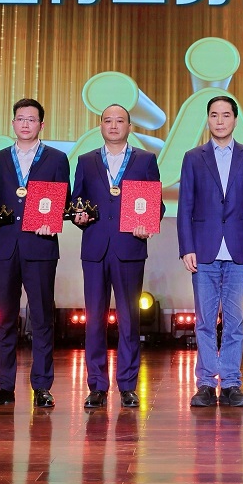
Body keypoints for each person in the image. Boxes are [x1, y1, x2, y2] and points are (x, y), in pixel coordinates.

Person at [0, 98, 71, 409]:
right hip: (5, 246)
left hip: (40, 246)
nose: (26, 124)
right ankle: (3, 386)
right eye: (21, 118)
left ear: (41, 124)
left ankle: (42, 386)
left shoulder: (57, 158)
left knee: (42, 318)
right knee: (4, 319)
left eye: (32, 119)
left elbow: (63, 199)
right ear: (13, 123)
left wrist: (52, 221)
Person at [178, 95, 243, 407]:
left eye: (226, 115)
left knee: (235, 322)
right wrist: (186, 247)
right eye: (214, 115)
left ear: (235, 119)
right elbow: (185, 206)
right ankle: (205, 383)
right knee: (204, 321)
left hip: (239, 249)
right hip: (203, 249)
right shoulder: (193, 157)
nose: (220, 121)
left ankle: (230, 383)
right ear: (208, 119)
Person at [71, 104, 163, 409]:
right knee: (94, 321)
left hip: (129, 248)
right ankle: (96, 385)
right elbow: (77, 201)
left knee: (129, 320)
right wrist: (78, 216)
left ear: (129, 126)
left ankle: (127, 385)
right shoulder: (86, 161)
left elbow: (157, 204)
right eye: (108, 120)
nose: (113, 125)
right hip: (95, 249)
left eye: (119, 120)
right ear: (100, 126)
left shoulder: (145, 159)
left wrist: (147, 224)